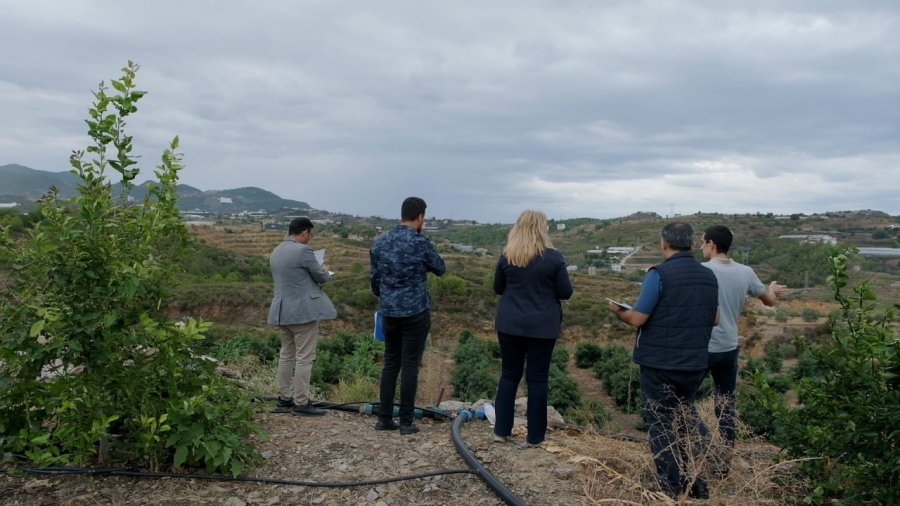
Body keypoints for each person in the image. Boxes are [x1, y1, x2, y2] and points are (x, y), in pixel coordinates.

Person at [609, 222, 718, 499]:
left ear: (664, 244)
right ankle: (696, 483)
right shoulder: (708, 276)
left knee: (661, 422)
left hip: (660, 363)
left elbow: (637, 318)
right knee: (685, 420)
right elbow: (715, 318)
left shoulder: (658, 274)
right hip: (695, 363)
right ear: (691, 244)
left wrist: (618, 311)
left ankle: (671, 485)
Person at [700, 225, 786, 475]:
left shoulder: (701, 271)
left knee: (683, 400)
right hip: (728, 347)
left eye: (703, 242)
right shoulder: (745, 272)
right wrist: (772, 288)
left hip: (703, 347)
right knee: (725, 405)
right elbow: (769, 300)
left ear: (713, 244)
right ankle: (724, 461)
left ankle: (699, 448)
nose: (701, 246)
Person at [492, 210, 573, 447]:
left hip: (510, 324)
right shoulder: (554, 258)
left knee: (509, 375)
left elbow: (498, 288)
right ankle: (535, 437)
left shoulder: (507, 256)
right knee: (537, 379)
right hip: (542, 327)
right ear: (542, 228)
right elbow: (565, 292)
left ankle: (501, 431)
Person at [369, 197, 446, 435]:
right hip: (416, 312)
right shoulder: (421, 242)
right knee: (410, 365)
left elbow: (375, 281)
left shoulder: (380, 243)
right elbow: (441, 268)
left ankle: (384, 418)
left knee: (390, 363)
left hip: (390, 312)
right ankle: (406, 421)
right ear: (420, 217)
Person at [267, 217, 337, 416]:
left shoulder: (277, 250)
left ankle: (283, 398)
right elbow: (321, 277)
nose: (310, 238)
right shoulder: (303, 251)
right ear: (305, 232)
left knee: (286, 355)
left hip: (282, 312)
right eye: (310, 234)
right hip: (302, 313)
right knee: (305, 357)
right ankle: (301, 402)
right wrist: (324, 269)